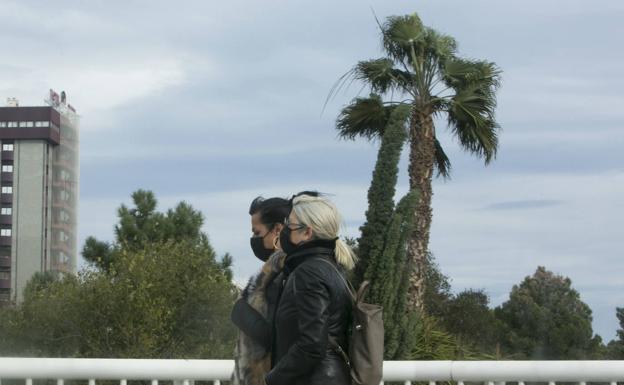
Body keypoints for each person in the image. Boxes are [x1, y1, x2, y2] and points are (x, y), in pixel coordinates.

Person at [265, 192, 357, 385]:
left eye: (289, 225)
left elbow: (313, 343)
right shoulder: (332, 268)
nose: (284, 230)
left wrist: (273, 378)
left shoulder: (309, 273)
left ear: (307, 232)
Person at [231, 196, 291, 385]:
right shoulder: (269, 275)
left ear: (277, 230)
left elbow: (279, 336)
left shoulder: (285, 274)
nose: (254, 240)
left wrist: (240, 311)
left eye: (257, 233)